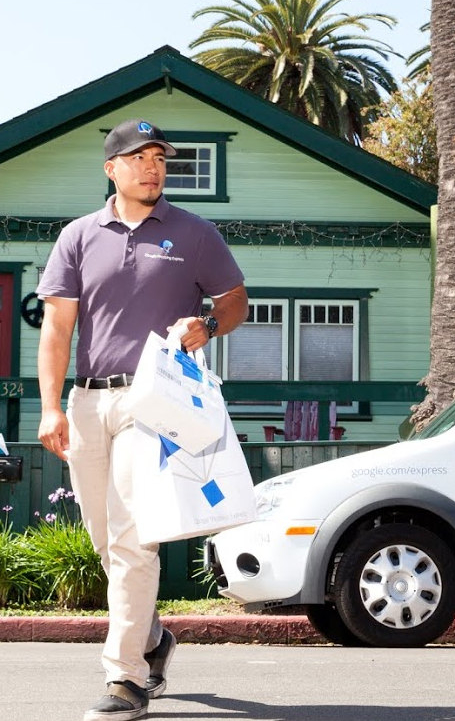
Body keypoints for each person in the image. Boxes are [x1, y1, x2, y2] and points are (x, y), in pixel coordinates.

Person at [36, 118, 248, 721]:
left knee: (132, 537)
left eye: (159, 158)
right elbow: (57, 327)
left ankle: (125, 679)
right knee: (106, 540)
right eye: (138, 158)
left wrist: (205, 323)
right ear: (112, 168)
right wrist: (51, 406)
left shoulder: (194, 233)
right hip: (87, 402)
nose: (152, 167)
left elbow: (235, 301)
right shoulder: (78, 236)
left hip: (152, 403)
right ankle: (153, 639)